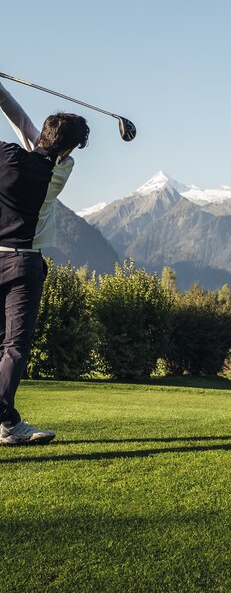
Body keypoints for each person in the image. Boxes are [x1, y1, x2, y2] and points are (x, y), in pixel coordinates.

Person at [0, 79, 89, 445]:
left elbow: (20, 121)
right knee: (15, 346)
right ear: (67, 147)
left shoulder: (5, 157)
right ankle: (4, 417)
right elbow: (28, 128)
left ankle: (7, 425)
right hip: (24, 266)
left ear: (43, 136)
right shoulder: (60, 170)